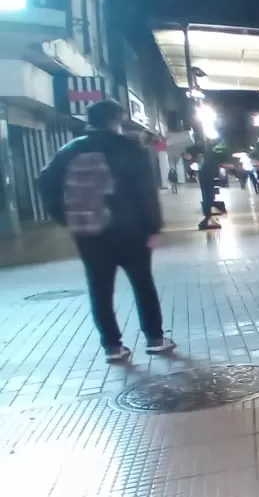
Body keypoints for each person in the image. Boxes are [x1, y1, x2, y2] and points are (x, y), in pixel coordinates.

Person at [37, 99, 176, 363]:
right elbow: (145, 192)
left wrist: (64, 217)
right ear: (116, 120)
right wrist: (153, 227)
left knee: (99, 288)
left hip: (88, 231)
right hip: (130, 230)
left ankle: (113, 346)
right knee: (142, 284)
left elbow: (44, 182)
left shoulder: (70, 150)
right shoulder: (129, 149)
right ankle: (155, 339)